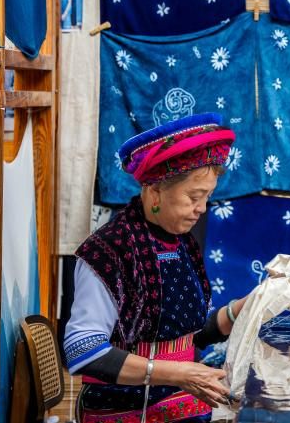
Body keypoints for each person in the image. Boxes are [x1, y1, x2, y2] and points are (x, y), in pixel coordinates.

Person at [64, 114, 255, 423]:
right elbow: (82, 350)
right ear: (155, 192)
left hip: (183, 406)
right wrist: (177, 374)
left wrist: (246, 308)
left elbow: (189, 336)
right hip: (127, 412)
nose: (201, 208)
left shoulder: (181, 243)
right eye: (194, 197)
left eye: (207, 197)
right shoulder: (109, 251)